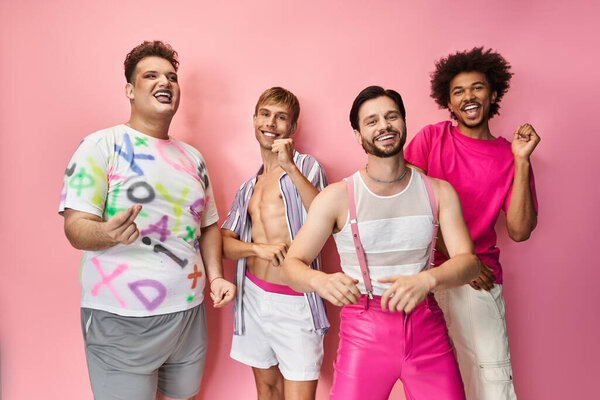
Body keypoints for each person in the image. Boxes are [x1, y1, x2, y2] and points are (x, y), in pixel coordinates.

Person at [58, 40, 235, 400]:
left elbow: (208, 226)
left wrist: (215, 276)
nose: (165, 82)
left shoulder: (193, 158)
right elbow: (75, 228)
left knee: (183, 396)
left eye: (171, 76)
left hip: (189, 314)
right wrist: (106, 232)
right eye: (151, 75)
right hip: (120, 319)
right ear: (130, 90)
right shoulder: (99, 146)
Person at [281, 85, 481, 400]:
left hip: (427, 327)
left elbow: (469, 262)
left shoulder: (438, 192)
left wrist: (427, 280)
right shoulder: (337, 197)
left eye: (391, 116)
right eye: (371, 121)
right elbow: (291, 266)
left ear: (403, 122)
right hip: (363, 332)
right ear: (358, 135)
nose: (384, 125)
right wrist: (318, 280)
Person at [404, 47, 540, 400]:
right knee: (433, 386)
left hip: (479, 283)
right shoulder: (432, 139)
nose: (468, 97)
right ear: (449, 103)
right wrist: (460, 260)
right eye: (458, 91)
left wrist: (522, 161)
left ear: (493, 94)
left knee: (492, 385)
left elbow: (520, 231)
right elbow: (407, 203)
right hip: (426, 277)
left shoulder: (510, 155)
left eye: (477, 88)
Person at [221, 87, 329, 400]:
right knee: (267, 391)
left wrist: (290, 166)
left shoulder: (308, 168)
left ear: (292, 128)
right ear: (254, 119)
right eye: (266, 114)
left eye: (281, 117)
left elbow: (325, 217)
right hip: (252, 298)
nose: (272, 123)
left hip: (295, 301)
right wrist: (257, 249)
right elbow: (225, 243)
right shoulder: (248, 187)